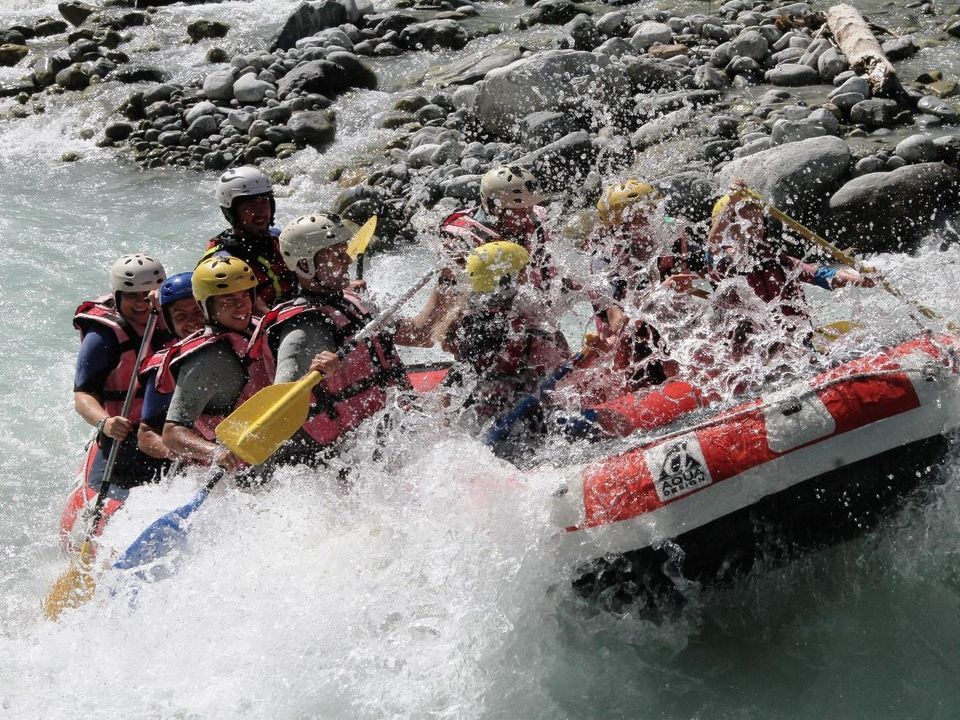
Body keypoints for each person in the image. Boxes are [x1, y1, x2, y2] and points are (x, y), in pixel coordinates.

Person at [250, 213, 414, 465]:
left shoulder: (351, 300)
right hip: (342, 458)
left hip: (388, 431)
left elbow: (422, 336)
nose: (347, 259)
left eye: (344, 250)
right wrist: (311, 375)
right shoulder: (301, 329)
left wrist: (448, 281)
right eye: (336, 255)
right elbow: (280, 410)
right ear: (306, 265)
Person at [706, 180, 872, 360]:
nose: (753, 231)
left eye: (757, 224)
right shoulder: (721, 263)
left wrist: (860, 280)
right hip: (749, 358)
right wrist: (731, 202)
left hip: (796, 348)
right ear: (728, 229)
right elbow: (712, 244)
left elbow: (823, 276)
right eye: (746, 226)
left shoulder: (778, 260)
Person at [586, 179, 709, 394]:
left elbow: (712, 275)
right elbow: (618, 322)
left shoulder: (669, 239)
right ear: (618, 224)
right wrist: (661, 290)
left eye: (649, 212)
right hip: (632, 346)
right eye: (638, 216)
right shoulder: (603, 261)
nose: (648, 220)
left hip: (674, 330)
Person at [438, 241, 573, 432]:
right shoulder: (517, 325)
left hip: (478, 416)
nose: (527, 278)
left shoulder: (466, 321)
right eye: (523, 272)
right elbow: (561, 366)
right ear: (509, 281)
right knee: (609, 419)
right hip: (521, 419)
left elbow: (456, 377)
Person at [157, 256, 270, 472]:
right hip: (230, 474)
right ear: (207, 306)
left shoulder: (258, 328)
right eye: (227, 299)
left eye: (245, 294)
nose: (241, 305)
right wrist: (214, 452)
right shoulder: (204, 361)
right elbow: (171, 434)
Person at [73, 254, 172, 497]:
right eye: (132, 296)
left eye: (148, 295)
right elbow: (83, 395)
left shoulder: (176, 318)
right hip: (124, 437)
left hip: (170, 431)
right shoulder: (103, 337)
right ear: (118, 296)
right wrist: (105, 423)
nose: (141, 303)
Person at [440, 165, 560, 293]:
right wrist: (455, 257)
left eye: (529, 209)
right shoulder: (466, 234)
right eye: (517, 212)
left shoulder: (537, 219)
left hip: (528, 299)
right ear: (493, 208)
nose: (526, 218)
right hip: (479, 302)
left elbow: (549, 268)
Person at [199, 166, 298, 314]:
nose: (260, 211)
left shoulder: (278, 238)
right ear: (231, 212)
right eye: (250, 204)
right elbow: (259, 312)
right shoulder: (223, 260)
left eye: (264, 202)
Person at [137, 272, 207, 460]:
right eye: (181, 316)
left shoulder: (246, 341)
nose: (193, 321)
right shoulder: (164, 367)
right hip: (203, 457)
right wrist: (175, 453)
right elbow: (145, 434)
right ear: (171, 323)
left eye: (198, 312)